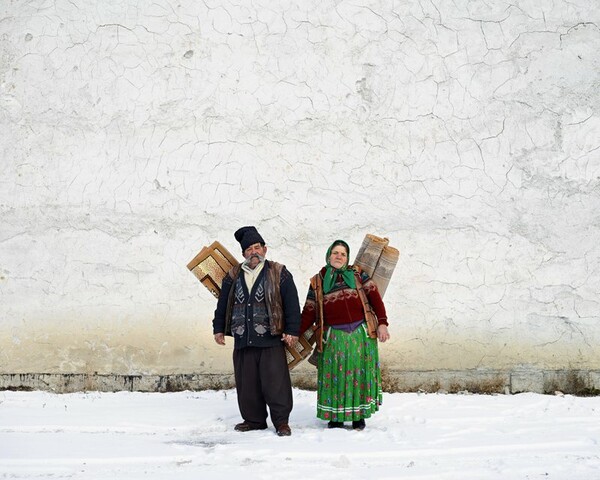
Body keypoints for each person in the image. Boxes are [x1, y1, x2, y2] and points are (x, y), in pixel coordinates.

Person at [213, 226, 301, 436]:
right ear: (243, 254)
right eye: (249, 249)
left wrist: (292, 330)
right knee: (247, 383)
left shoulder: (279, 272)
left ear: (265, 249)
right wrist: (218, 328)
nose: (254, 252)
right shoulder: (233, 275)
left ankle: (281, 422)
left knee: (276, 383)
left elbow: (291, 303)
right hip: (243, 338)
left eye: (257, 247)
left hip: (271, 339)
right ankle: (253, 420)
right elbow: (223, 303)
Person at [299, 239, 390, 430]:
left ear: (347, 257)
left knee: (359, 374)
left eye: (343, 254)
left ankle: (358, 416)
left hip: (360, 335)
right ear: (328, 255)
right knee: (336, 376)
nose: (339, 256)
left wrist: (382, 323)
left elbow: (375, 299)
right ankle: (337, 418)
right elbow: (309, 311)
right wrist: (293, 332)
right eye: (335, 253)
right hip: (333, 337)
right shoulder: (318, 281)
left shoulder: (357, 274)